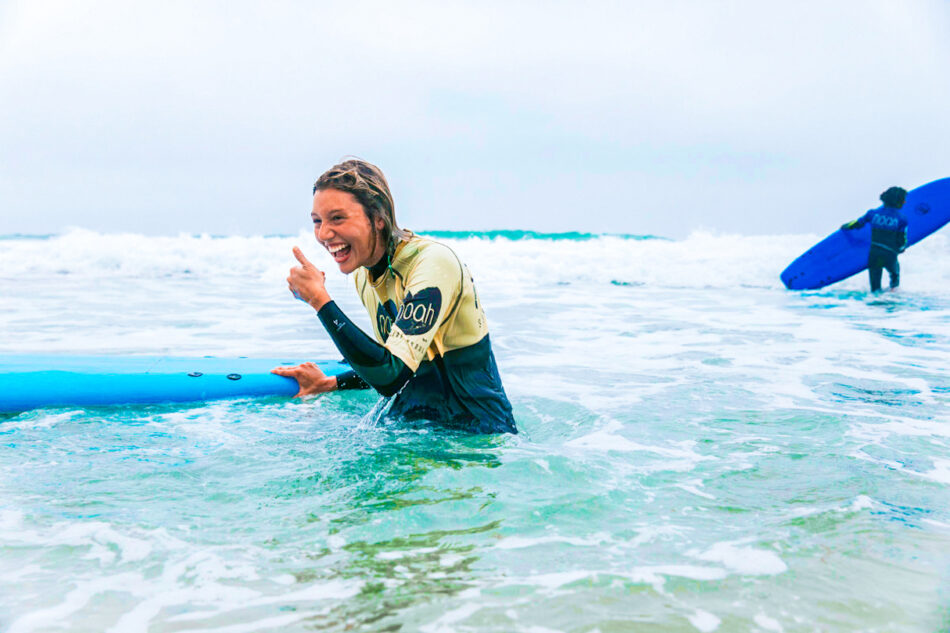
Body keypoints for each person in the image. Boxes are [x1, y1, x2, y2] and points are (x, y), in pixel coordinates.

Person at [271, 159, 517, 434]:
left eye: (337, 218)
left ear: (378, 218)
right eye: (318, 221)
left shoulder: (433, 264)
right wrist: (331, 382)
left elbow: (390, 376)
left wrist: (320, 301)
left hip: (473, 440)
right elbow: (398, 364)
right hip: (413, 430)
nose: (324, 234)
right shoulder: (364, 277)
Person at [841, 186, 909, 292]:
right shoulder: (901, 219)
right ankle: (893, 302)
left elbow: (857, 224)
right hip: (889, 255)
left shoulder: (872, 214)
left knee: (875, 288)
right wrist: (901, 248)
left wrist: (845, 226)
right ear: (898, 201)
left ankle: (874, 305)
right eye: (903, 199)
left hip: (874, 254)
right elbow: (901, 240)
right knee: (894, 280)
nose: (905, 202)